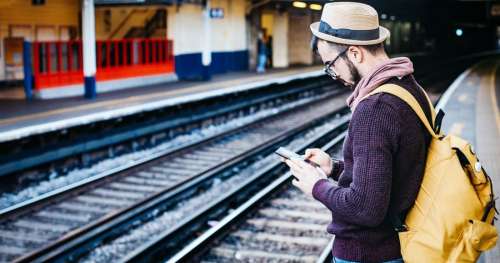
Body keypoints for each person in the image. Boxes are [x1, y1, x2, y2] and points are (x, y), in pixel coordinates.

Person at [283, 2, 433, 263]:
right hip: (397, 245)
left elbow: (365, 208)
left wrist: (316, 186)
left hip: (369, 253)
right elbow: (389, 174)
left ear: (354, 53)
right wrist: (334, 167)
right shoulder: (408, 87)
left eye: (331, 64)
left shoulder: (374, 108)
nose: (333, 74)